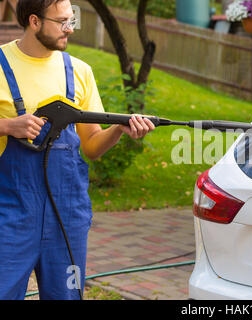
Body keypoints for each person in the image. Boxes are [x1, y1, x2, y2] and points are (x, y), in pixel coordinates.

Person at [0, 0, 155, 299]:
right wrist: (8, 127)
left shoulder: (79, 71)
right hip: (11, 214)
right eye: (62, 22)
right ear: (34, 21)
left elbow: (92, 147)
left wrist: (118, 130)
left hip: (66, 218)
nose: (70, 28)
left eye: (72, 20)